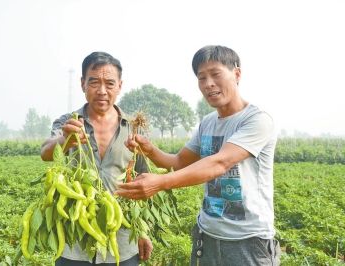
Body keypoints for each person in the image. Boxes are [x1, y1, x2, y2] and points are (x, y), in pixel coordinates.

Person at [116, 45, 281, 265]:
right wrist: (150, 150)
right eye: (201, 78)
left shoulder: (257, 120)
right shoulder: (208, 122)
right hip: (207, 236)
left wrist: (160, 183)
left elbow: (220, 163)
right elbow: (178, 162)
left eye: (215, 74)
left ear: (237, 74)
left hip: (248, 241)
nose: (208, 83)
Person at [41, 51, 153, 266]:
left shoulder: (132, 127)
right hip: (74, 240)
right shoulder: (68, 122)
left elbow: (142, 179)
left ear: (120, 85)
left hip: (122, 239)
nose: (102, 91)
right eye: (94, 82)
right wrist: (65, 139)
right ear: (83, 84)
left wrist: (143, 230)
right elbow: (46, 152)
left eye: (109, 83)